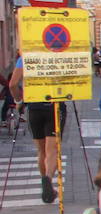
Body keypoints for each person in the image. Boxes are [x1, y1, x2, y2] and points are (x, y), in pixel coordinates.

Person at [9, 55, 66, 203]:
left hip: (34, 107)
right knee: (52, 149)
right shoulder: (59, 55)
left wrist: (18, 101)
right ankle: (48, 180)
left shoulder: (25, 57)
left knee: (41, 150)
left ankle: (44, 182)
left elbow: (12, 84)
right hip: (55, 104)